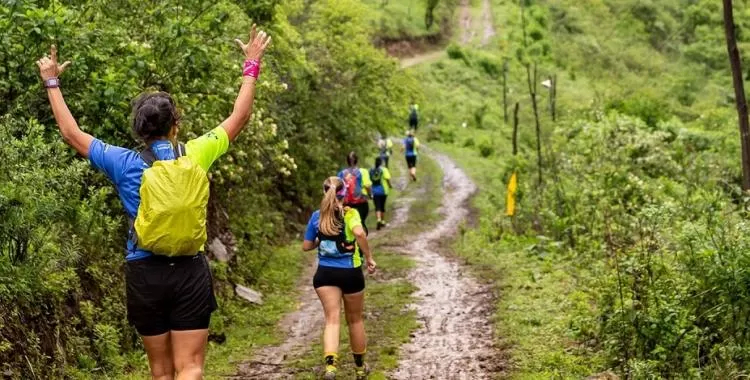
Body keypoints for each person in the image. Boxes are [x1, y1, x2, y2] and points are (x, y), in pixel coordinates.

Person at [36, 26, 271, 380]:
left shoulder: (123, 162)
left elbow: (71, 134)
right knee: (190, 367)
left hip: (145, 272)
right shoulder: (197, 152)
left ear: (138, 129)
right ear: (176, 125)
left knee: (160, 372)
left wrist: (52, 82)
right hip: (190, 269)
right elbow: (239, 117)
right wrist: (251, 65)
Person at [302, 176, 377, 380]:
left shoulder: (317, 216)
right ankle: (360, 369)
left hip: (325, 274)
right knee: (355, 320)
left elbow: (306, 246)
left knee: (331, 320)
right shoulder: (350, 213)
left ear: (324, 192)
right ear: (344, 193)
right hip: (350, 272)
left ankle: (330, 369)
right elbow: (360, 233)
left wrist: (321, 240)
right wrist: (369, 258)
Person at [338, 152, 372, 234]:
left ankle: (349, 242)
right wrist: (370, 195)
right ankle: (362, 241)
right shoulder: (363, 171)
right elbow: (367, 186)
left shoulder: (341, 173)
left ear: (347, 161)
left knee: (348, 223)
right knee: (361, 222)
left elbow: (338, 189)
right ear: (357, 161)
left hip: (346, 204)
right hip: (361, 202)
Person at [370, 157, 392, 230]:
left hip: (374, 191)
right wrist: (390, 185)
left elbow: (369, 180)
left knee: (377, 206)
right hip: (383, 191)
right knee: (382, 206)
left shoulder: (371, 170)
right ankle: (382, 221)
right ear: (381, 162)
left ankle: (378, 220)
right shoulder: (384, 169)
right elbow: (387, 179)